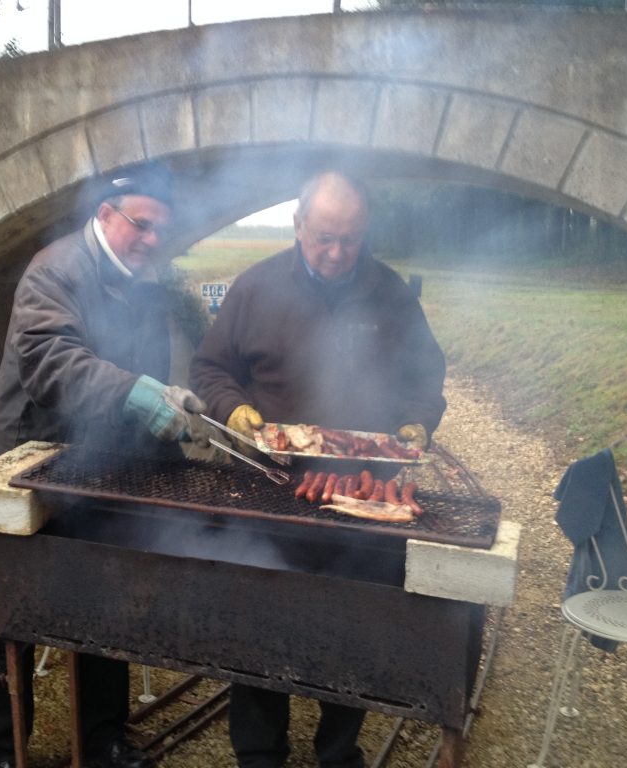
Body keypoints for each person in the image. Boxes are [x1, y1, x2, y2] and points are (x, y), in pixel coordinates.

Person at [189, 170, 447, 768]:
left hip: (363, 487)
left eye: (350, 239)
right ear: (299, 225)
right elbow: (210, 368)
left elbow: (424, 374)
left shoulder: (390, 293)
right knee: (258, 615)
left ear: (365, 231)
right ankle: (260, 751)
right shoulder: (255, 287)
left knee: (353, 620)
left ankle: (337, 749)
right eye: (324, 237)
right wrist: (233, 408)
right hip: (270, 481)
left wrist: (417, 419)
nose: (336, 252)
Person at [0, 162, 212, 768]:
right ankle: (2, 749)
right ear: (106, 215)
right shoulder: (53, 271)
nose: (153, 240)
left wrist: (174, 443)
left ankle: (103, 740)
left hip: (102, 461)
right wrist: (138, 393)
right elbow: (50, 362)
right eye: (142, 224)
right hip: (32, 456)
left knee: (106, 595)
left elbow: (146, 382)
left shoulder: (143, 283)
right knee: (18, 605)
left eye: (162, 230)